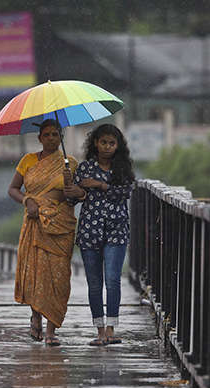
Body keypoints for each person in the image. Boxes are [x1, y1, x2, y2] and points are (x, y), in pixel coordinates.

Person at [7, 119, 84, 346]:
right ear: (39, 137)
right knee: (36, 273)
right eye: (47, 135)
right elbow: (12, 189)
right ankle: (36, 316)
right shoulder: (28, 161)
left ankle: (52, 330)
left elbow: (79, 197)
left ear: (62, 137)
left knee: (58, 277)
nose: (51, 138)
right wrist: (27, 201)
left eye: (55, 134)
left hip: (60, 225)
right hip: (34, 222)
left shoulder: (71, 163)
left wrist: (72, 190)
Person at [67, 124, 135, 346]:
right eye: (103, 142)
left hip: (116, 229)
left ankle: (111, 329)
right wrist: (73, 187)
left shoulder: (122, 169)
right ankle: (99, 331)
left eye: (112, 143)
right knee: (94, 283)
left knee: (113, 280)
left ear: (118, 146)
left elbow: (124, 192)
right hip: (90, 231)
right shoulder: (84, 168)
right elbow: (72, 198)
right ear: (95, 143)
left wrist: (100, 185)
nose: (107, 147)